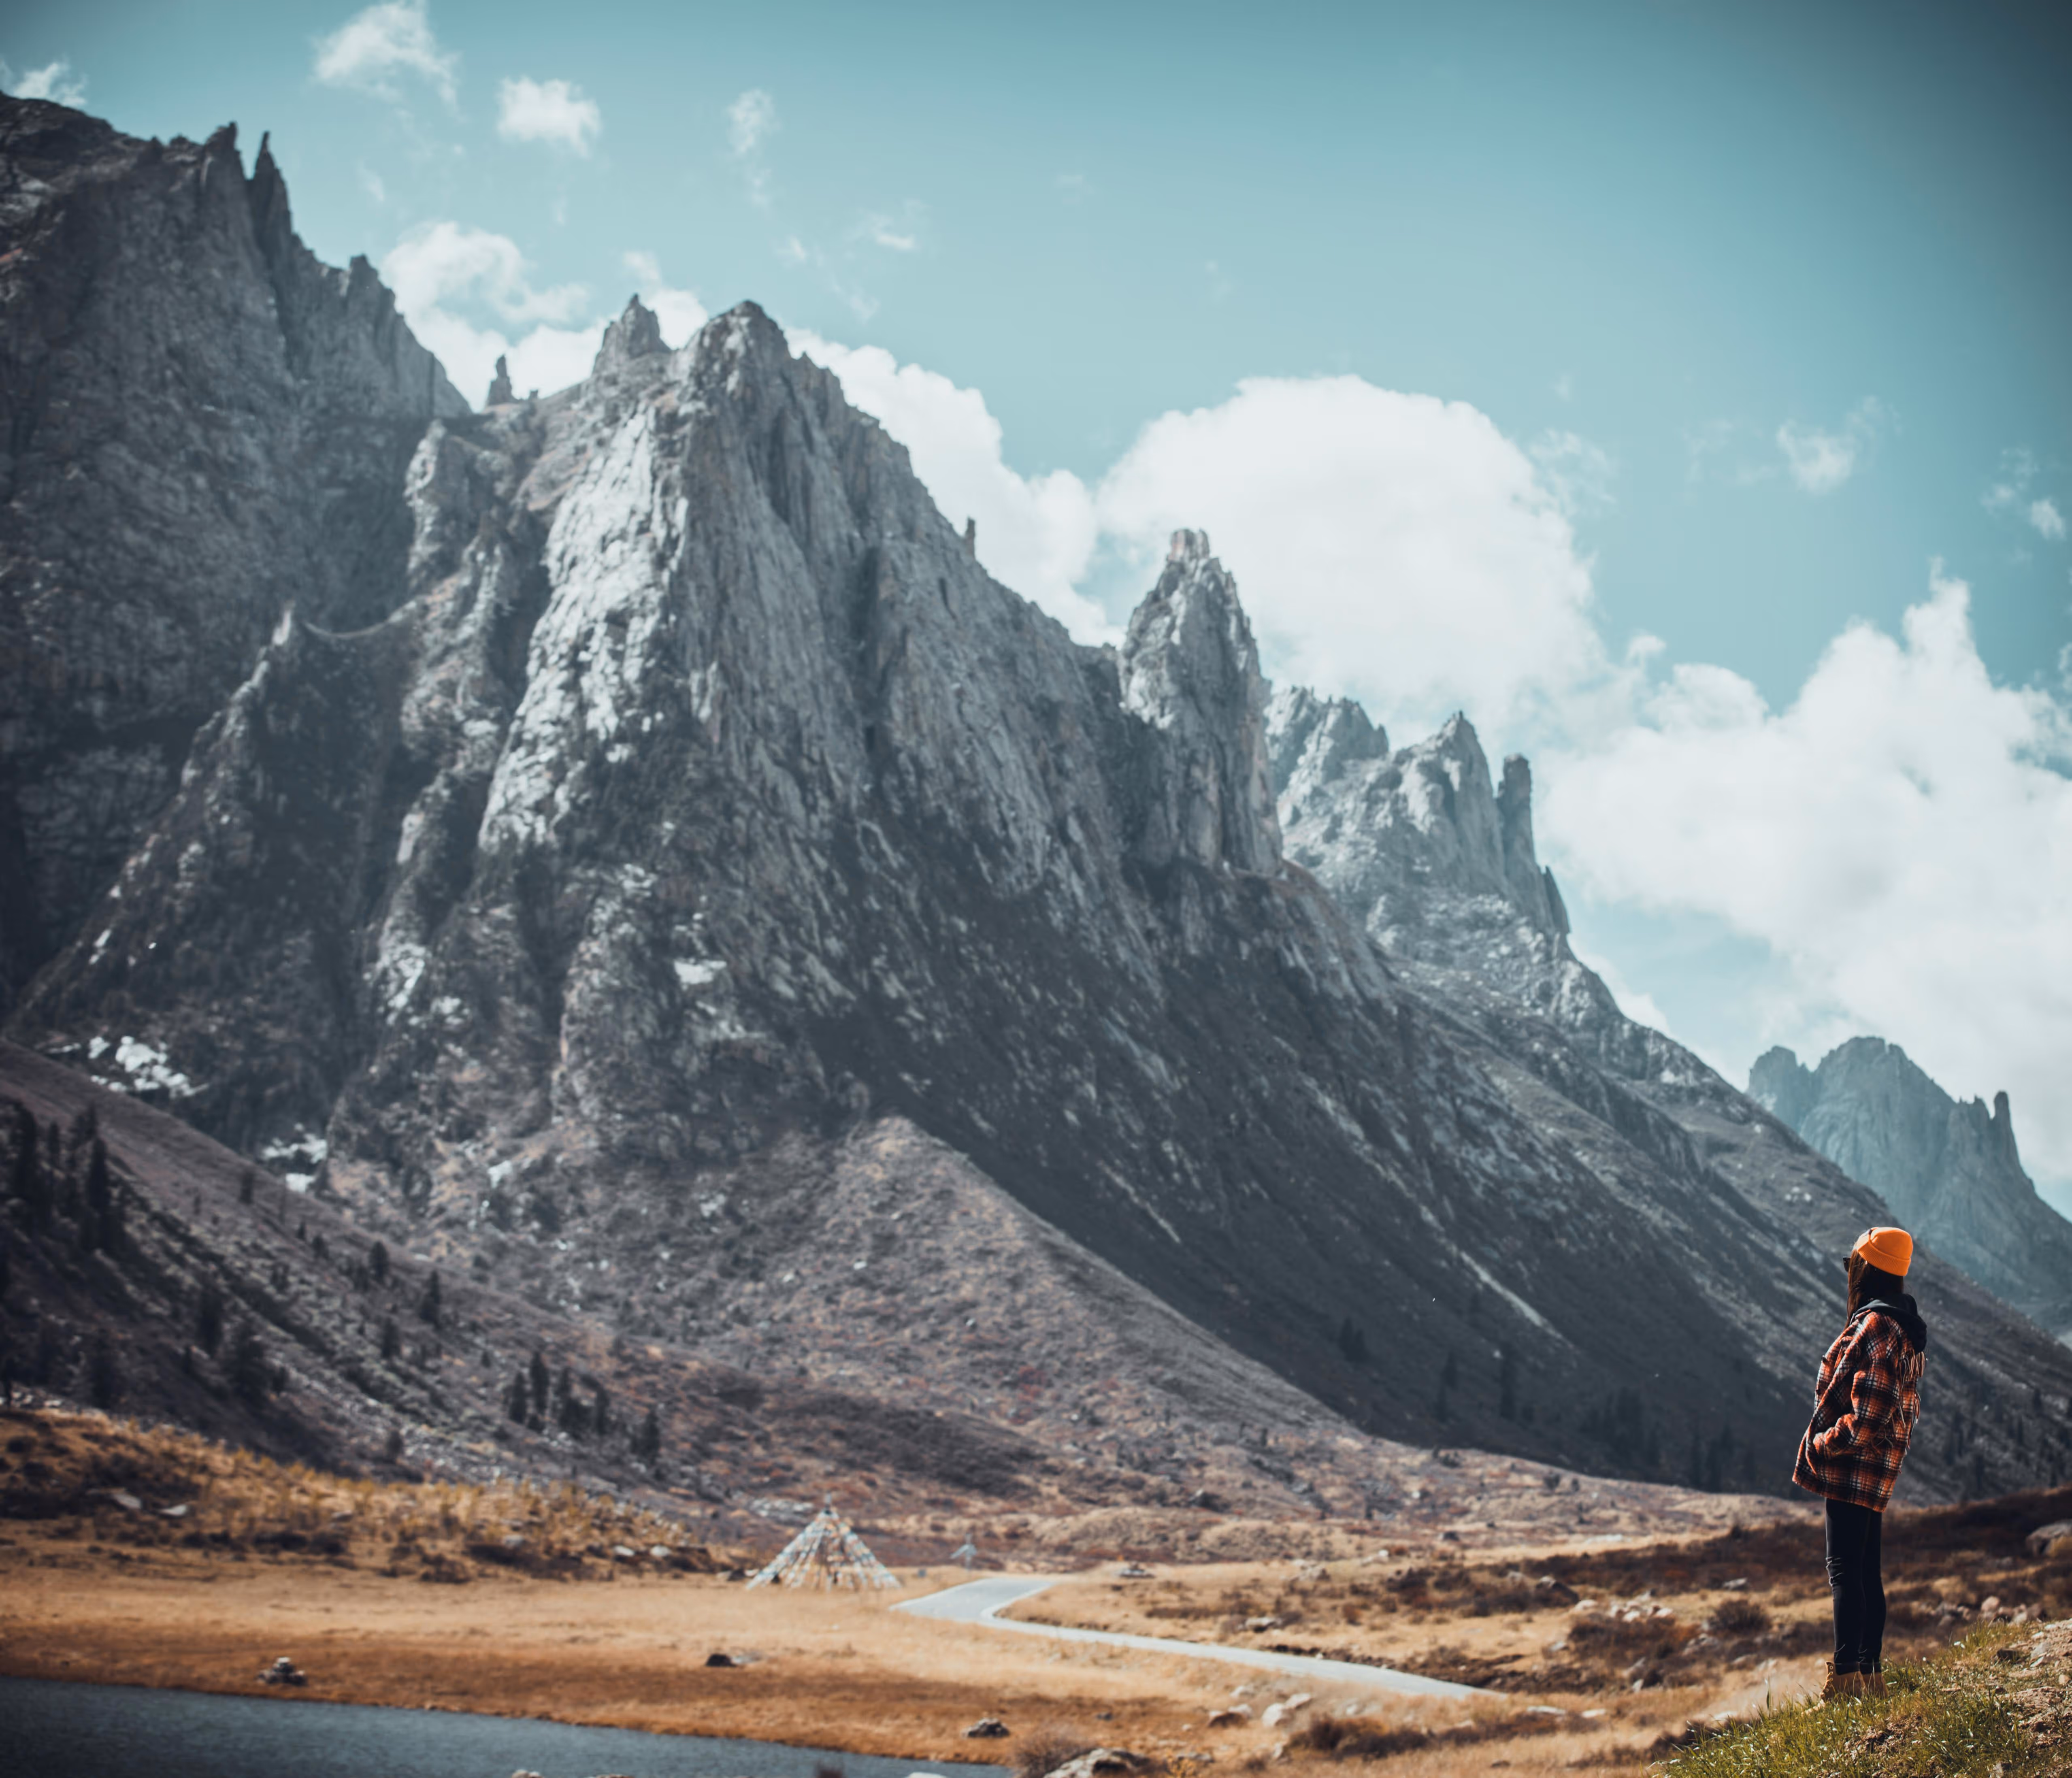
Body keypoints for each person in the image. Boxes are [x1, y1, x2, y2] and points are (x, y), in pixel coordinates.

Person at [1793, 1225, 1929, 1701]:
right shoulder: (1901, 1328)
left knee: (1844, 1572)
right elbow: (1897, 1409)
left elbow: (1866, 1416)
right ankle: (1869, 1678)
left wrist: (1824, 1442)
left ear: (1865, 1270)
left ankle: (1847, 1681)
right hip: (1877, 1471)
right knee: (1865, 1572)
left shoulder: (1873, 1327)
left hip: (1852, 1467)